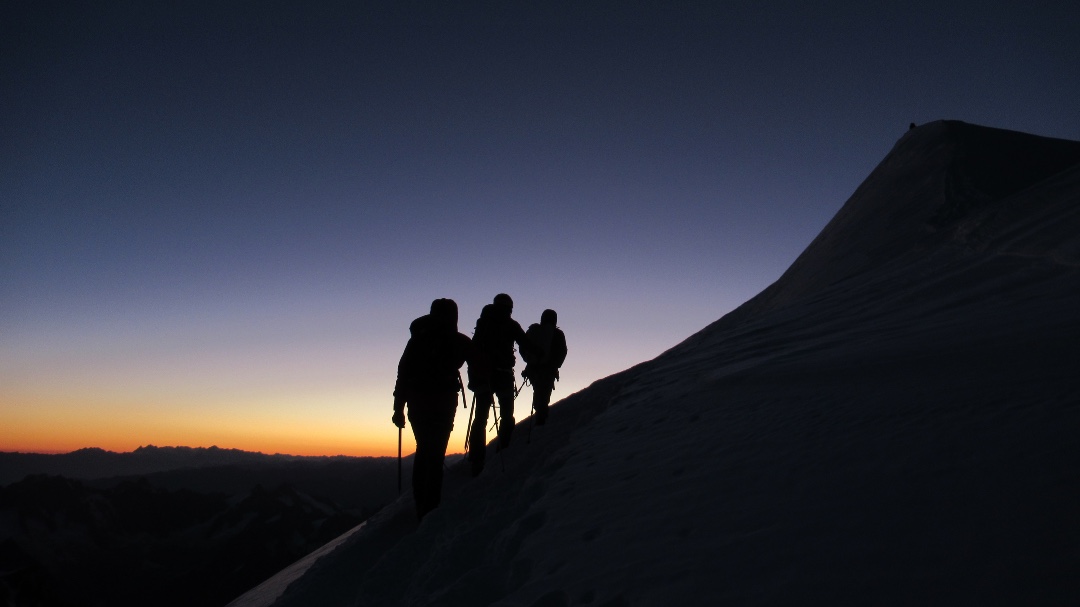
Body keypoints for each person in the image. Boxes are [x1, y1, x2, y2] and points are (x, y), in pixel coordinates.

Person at [392, 298, 478, 521]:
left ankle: (422, 503)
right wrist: (480, 385)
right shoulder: (459, 341)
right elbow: (477, 363)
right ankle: (431, 508)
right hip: (444, 403)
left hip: (417, 403)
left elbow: (403, 374)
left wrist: (398, 408)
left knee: (424, 450)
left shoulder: (417, 341)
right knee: (435, 452)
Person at [467, 293, 531, 475]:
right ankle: (504, 450)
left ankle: (476, 460)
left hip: (483, 376)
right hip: (502, 375)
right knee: (506, 415)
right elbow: (524, 343)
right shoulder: (511, 325)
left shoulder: (483, 323)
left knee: (480, 418)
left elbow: (474, 349)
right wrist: (537, 354)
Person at [522, 309, 567, 425]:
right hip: (548, 370)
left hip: (532, 369)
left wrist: (528, 360)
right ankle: (541, 420)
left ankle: (540, 414)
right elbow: (563, 351)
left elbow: (523, 346)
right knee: (543, 394)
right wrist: (555, 365)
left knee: (537, 390)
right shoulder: (557, 334)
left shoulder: (534, 330)